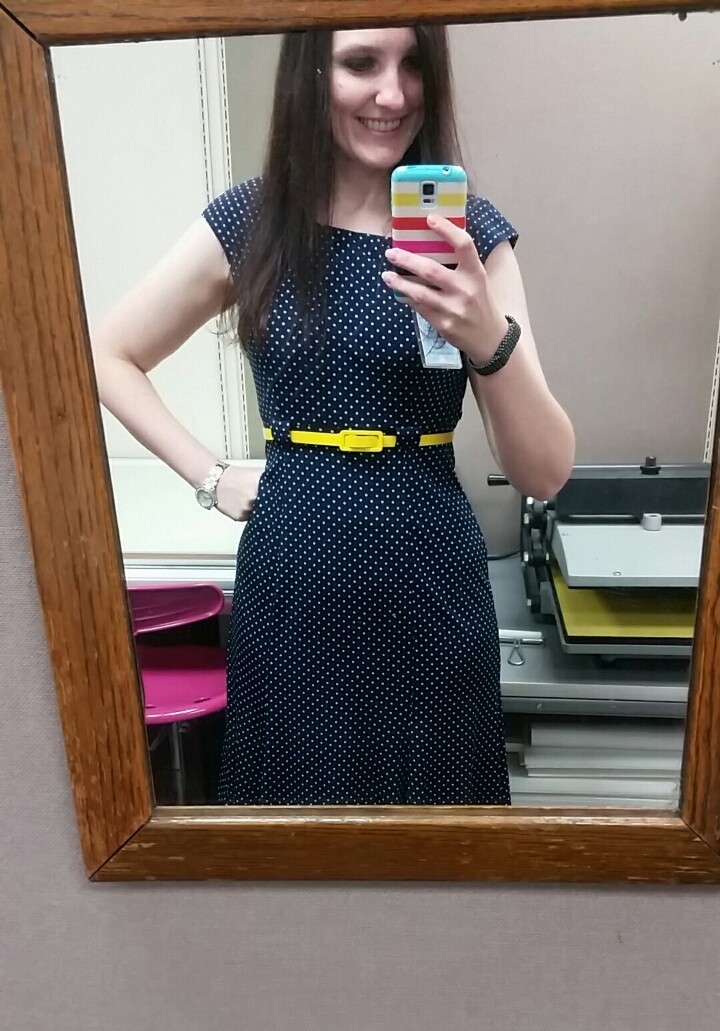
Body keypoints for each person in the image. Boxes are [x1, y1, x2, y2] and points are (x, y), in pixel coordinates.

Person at [92, 26, 575, 806]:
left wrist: (490, 337)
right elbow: (107, 354)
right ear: (311, 74)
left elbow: (546, 471)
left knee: (434, 822)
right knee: (293, 825)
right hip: (294, 577)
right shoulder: (255, 221)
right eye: (361, 63)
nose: (393, 93)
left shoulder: (469, 236)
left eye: (414, 65)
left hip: (430, 577)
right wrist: (211, 476)